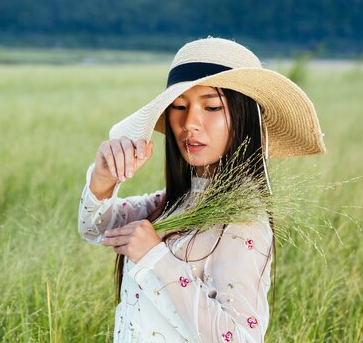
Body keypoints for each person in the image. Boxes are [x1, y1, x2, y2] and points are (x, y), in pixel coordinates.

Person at [78, 37, 326, 343]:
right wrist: (104, 177)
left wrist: (157, 259)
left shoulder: (242, 219)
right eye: (179, 106)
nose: (190, 123)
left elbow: (240, 338)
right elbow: (95, 227)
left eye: (211, 106)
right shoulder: (174, 203)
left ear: (244, 116)